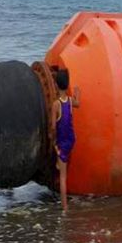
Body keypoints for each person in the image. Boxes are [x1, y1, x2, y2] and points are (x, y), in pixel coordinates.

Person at [52, 69, 80, 212]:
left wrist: (52, 141)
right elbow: (78, 103)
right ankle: (59, 162)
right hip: (71, 140)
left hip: (62, 143)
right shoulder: (70, 101)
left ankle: (64, 207)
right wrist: (76, 92)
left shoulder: (56, 104)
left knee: (63, 177)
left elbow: (53, 127)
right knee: (62, 162)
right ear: (67, 84)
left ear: (56, 85)